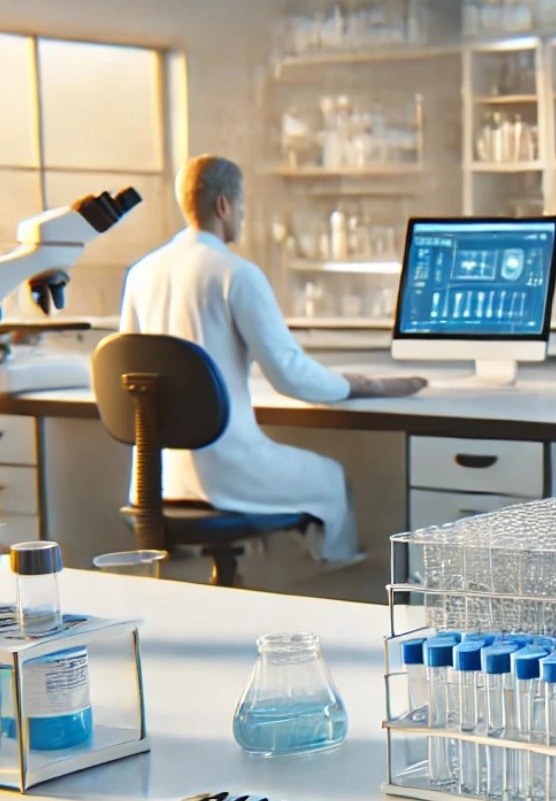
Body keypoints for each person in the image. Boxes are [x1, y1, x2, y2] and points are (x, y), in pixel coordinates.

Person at [118, 155, 424, 567]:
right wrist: (364, 385)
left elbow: (128, 371)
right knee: (331, 477)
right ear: (224, 205)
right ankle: (337, 588)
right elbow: (290, 376)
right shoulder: (235, 273)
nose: (243, 216)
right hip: (226, 474)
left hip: (156, 480)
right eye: (242, 206)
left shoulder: (141, 273)